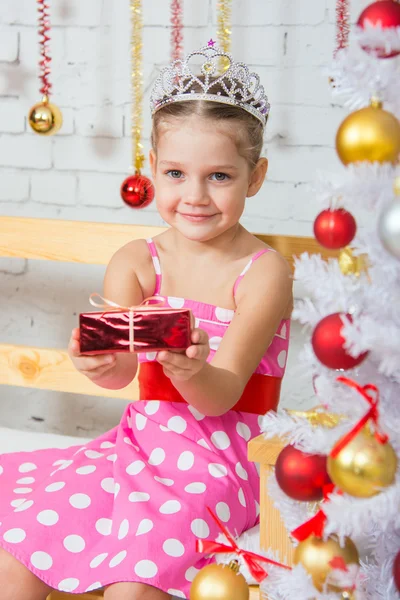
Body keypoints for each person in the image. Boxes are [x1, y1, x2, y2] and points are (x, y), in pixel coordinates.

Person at [0, 42, 292, 600]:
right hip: (137, 446)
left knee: (132, 583)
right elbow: (123, 376)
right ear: (153, 169)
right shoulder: (137, 263)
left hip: (221, 463)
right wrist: (98, 362)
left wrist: (189, 367)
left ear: (255, 177)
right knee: (17, 550)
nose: (195, 196)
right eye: (177, 173)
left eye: (220, 177)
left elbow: (218, 397)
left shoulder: (263, 273)